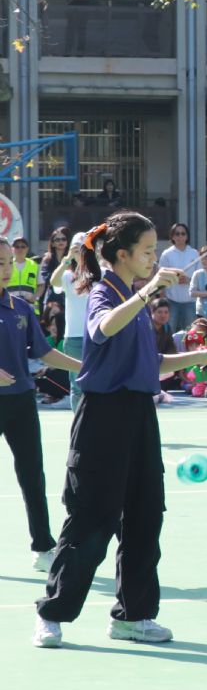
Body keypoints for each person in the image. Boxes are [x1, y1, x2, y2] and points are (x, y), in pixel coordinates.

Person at [32, 213, 207, 651]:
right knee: (92, 518)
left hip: (140, 415)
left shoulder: (136, 304)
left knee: (145, 516)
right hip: (103, 418)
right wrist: (149, 290)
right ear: (122, 255)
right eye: (146, 251)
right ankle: (52, 613)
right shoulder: (104, 293)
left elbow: (151, 365)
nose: (153, 258)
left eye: (155, 250)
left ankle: (133, 615)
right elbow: (103, 328)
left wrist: (201, 356)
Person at [0, 241, 81, 571]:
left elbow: (44, 352)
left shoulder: (21, 308)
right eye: (0, 263)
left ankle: (43, 546)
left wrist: (84, 367)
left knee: (32, 474)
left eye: (8, 262)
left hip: (21, 401)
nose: (6, 269)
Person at [47, 232, 90, 409]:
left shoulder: (101, 273)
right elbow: (53, 281)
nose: (79, 251)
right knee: (77, 385)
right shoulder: (67, 275)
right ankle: (78, 421)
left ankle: (94, 420)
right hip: (73, 337)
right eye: (76, 247)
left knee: (97, 382)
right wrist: (67, 259)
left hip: (97, 335)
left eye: (83, 247)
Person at [158, 224, 197, 332]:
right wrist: (162, 300)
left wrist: (189, 280)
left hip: (190, 302)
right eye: (177, 234)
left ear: (187, 236)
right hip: (171, 301)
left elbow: (199, 278)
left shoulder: (194, 253)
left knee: (190, 335)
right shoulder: (166, 254)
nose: (180, 236)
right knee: (168, 333)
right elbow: (161, 277)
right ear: (172, 236)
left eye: (183, 233)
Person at [37, 229, 69, 312]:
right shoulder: (47, 259)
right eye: (57, 240)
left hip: (68, 298)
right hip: (52, 299)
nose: (61, 242)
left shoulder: (71, 259)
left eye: (63, 239)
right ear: (53, 243)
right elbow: (46, 279)